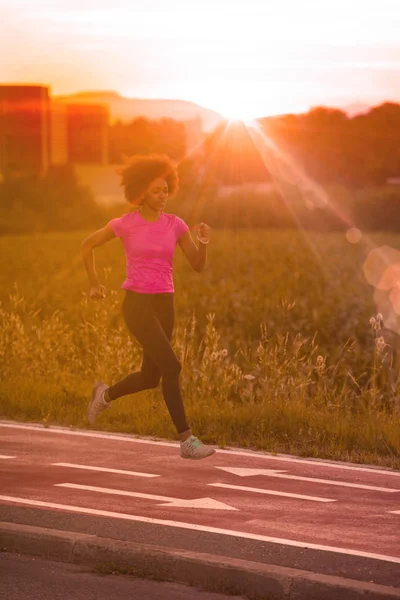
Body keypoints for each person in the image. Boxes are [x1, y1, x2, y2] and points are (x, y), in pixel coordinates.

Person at [81, 154, 215, 460]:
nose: (163, 195)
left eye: (167, 190)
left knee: (150, 376)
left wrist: (203, 242)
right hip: (137, 305)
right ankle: (186, 440)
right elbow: (87, 245)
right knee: (172, 366)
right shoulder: (125, 224)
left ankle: (104, 395)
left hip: (165, 304)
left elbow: (196, 265)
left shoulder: (176, 225)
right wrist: (94, 282)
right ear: (142, 192)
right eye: (157, 191)